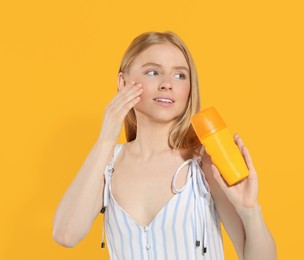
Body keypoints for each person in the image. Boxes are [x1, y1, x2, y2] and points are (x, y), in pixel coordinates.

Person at [52, 31, 276, 260]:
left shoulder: (205, 164)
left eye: (180, 75)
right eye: (153, 72)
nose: (167, 84)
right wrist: (106, 138)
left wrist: (250, 210)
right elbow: (66, 234)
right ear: (123, 83)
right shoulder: (108, 164)